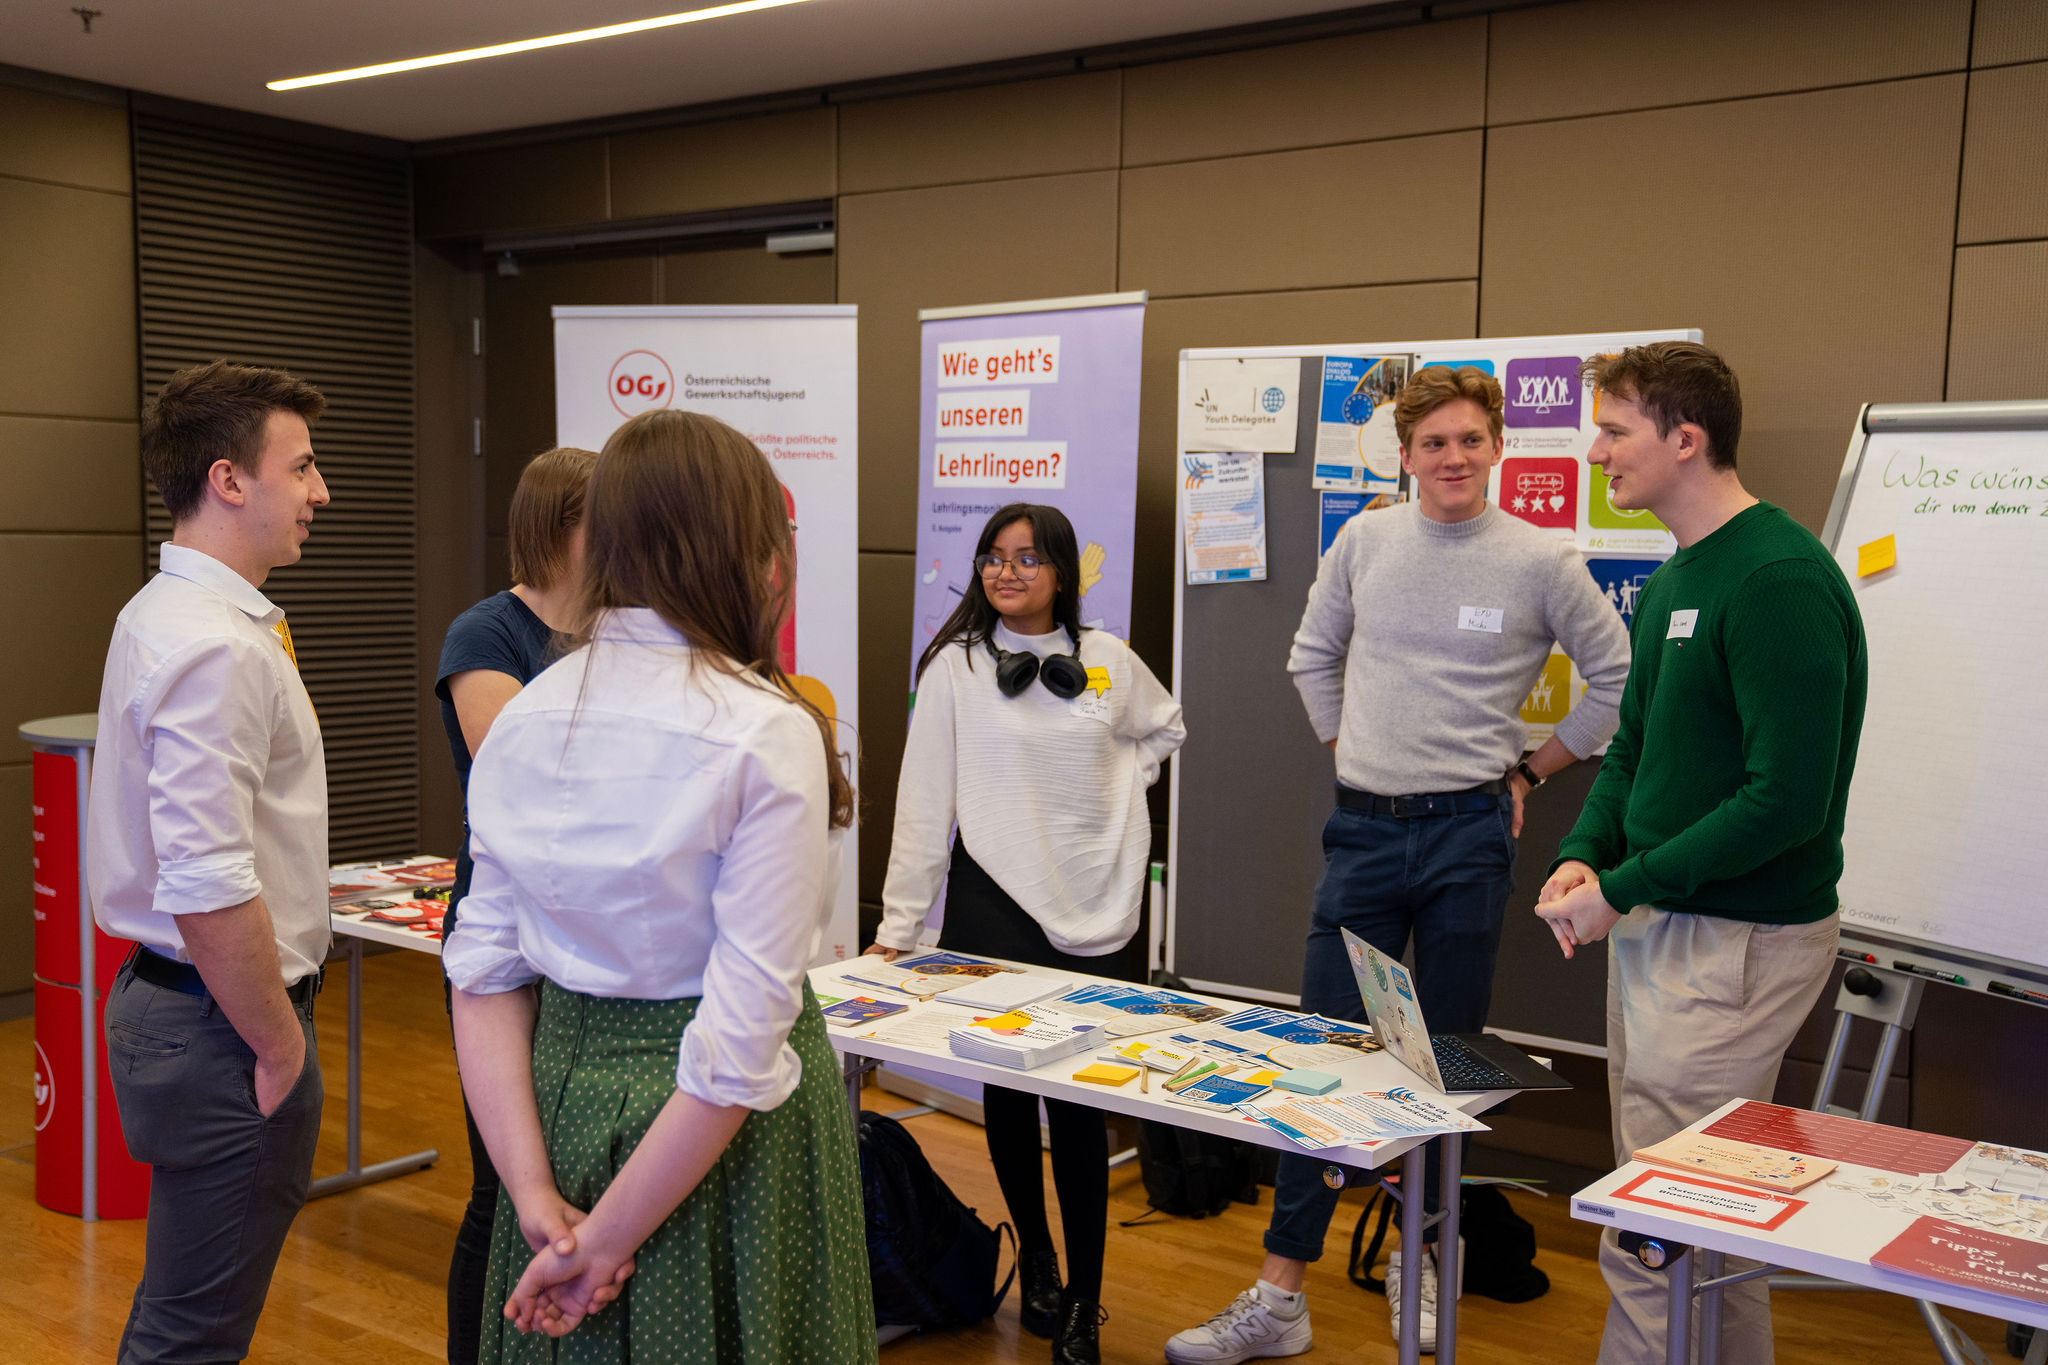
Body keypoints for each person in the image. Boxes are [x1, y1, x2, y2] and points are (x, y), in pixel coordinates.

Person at [1166, 365, 1632, 1362]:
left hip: (1468, 836)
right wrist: (1355, 751)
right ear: (1406, 454)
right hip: (1363, 832)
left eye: (1469, 440)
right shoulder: (1364, 539)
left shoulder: (1541, 559)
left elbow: (1615, 682)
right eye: (1433, 444)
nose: (1452, 458)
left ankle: (1419, 1269)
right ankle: (1279, 1293)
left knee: (1443, 1065)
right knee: (1324, 1055)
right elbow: (1309, 655)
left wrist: (1530, 771)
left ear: (1496, 446)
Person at [443, 409, 876, 1362]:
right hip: (724, 1149)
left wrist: (534, 1201)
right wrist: (601, 1245)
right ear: (750, 550)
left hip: (556, 1106)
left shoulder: (527, 710)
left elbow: (479, 972)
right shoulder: (768, 727)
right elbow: (735, 1050)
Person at [1535, 342, 1866, 1364]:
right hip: (1663, 924)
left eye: (1614, 429)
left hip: (1737, 940)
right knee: (1699, 1224)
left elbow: (1785, 803)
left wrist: (1622, 885)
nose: (1594, 452)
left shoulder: (1773, 579)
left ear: (1686, 438)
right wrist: (1587, 853)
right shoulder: (1684, 568)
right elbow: (1634, 745)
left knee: (1654, 1233)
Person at [870, 502, 1185, 1365]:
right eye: (992, 558)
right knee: (1007, 1094)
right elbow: (922, 802)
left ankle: (1086, 1300)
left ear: (1061, 571)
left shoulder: (1110, 661)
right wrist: (899, 928)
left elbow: (1166, 726)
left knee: (1081, 1105)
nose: (1006, 572)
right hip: (990, 903)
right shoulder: (955, 670)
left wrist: (1126, 780)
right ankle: (1037, 1259)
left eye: (1027, 557)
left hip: (1099, 903)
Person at [87, 360, 332, 1362]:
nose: (322, 492)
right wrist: (278, 1050)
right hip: (223, 1021)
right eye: (303, 466)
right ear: (230, 481)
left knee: (182, 1309)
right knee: (194, 1335)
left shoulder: (171, 613)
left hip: (188, 1008)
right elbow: (206, 881)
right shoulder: (215, 644)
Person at [433, 445, 596, 1364]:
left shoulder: (621, 627)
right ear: (560, 524)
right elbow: (519, 766)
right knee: (501, 1189)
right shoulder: (486, 633)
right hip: (502, 937)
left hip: (585, 931)